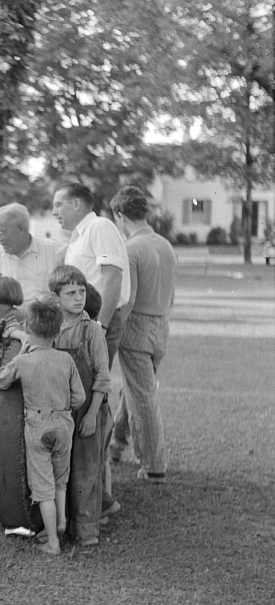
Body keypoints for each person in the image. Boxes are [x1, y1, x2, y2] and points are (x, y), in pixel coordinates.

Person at [0, 298, 86, 556]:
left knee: (42, 488)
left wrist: (22, 352)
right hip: (64, 425)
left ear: (29, 331)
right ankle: (61, 524)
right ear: (57, 333)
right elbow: (79, 398)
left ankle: (53, 544)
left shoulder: (24, 362)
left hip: (38, 427)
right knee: (59, 482)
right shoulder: (66, 360)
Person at [109, 185, 177, 483]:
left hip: (137, 326)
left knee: (142, 397)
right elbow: (172, 294)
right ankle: (116, 446)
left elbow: (130, 297)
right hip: (161, 323)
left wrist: (113, 329)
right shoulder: (165, 245)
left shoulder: (131, 248)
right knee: (136, 390)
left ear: (120, 215)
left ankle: (154, 465)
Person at [50, 265, 113, 547]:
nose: (78, 298)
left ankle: (87, 529)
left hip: (88, 409)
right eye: (71, 293)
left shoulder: (92, 331)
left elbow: (102, 377)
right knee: (58, 467)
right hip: (58, 410)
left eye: (82, 291)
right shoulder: (50, 330)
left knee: (86, 467)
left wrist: (90, 415)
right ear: (56, 298)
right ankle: (58, 523)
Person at [51, 183, 130, 367]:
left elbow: (112, 276)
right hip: (80, 320)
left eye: (58, 205)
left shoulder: (98, 228)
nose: (54, 212)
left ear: (76, 204)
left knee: (92, 385)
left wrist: (100, 327)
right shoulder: (79, 235)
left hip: (97, 320)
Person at [0, 203, 67, 306]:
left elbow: (70, 295)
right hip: (7, 321)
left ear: (21, 229)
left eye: (2, 233)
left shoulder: (57, 253)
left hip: (45, 320)